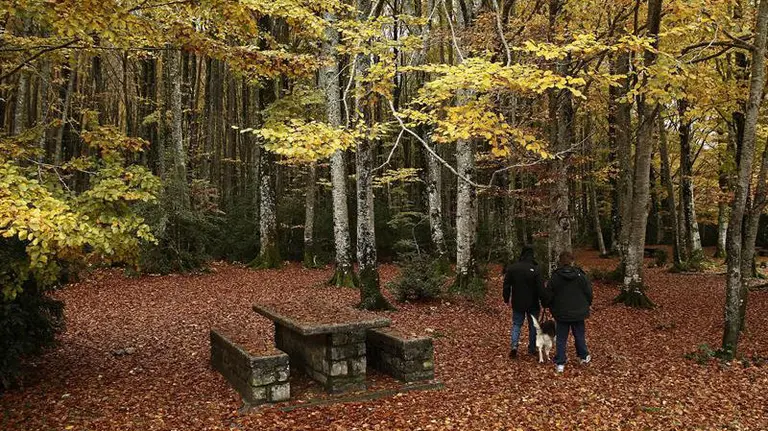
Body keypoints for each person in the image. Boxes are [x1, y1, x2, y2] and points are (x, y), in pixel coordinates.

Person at [544, 250, 592, 373]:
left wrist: (548, 305)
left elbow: (549, 294)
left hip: (562, 313)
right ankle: (583, 357)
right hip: (578, 312)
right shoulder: (580, 275)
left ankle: (560, 362)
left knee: (561, 338)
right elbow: (588, 292)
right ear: (571, 261)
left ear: (560, 261)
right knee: (579, 335)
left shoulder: (555, 277)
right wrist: (587, 304)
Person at [502, 246, 543, 358]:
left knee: (516, 324)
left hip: (518, 302)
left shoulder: (513, 268)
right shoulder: (536, 269)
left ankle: (514, 346)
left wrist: (506, 298)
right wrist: (544, 300)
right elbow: (540, 287)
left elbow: (506, 285)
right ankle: (532, 348)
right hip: (533, 303)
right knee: (533, 326)